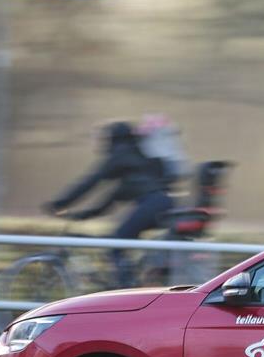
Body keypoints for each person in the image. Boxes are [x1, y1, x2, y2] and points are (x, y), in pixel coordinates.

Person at [45, 121, 174, 288]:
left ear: (114, 138)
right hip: (164, 203)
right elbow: (112, 198)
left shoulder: (121, 154)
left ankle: (125, 292)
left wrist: (60, 203)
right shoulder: (137, 159)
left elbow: (91, 181)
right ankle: (129, 282)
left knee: (115, 245)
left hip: (151, 205)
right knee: (120, 242)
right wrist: (85, 214)